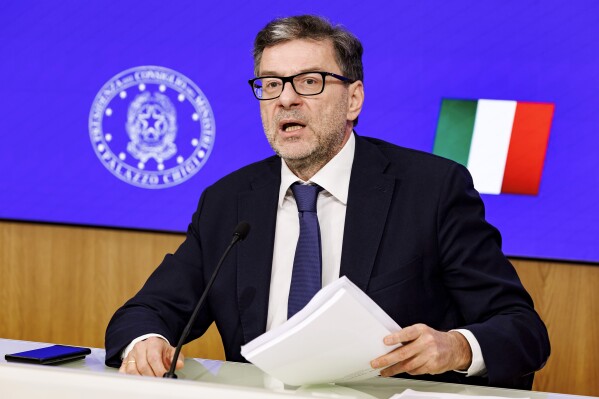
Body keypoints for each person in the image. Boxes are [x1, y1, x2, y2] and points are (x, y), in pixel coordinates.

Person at [105, 15, 550, 389]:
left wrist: (455, 346)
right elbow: (145, 312)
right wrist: (145, 340)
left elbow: (522, 329)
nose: (286, 99)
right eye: (271, 84)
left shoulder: (431, 190)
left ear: (353, 98)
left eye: (309, 82)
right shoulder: (228, 202)